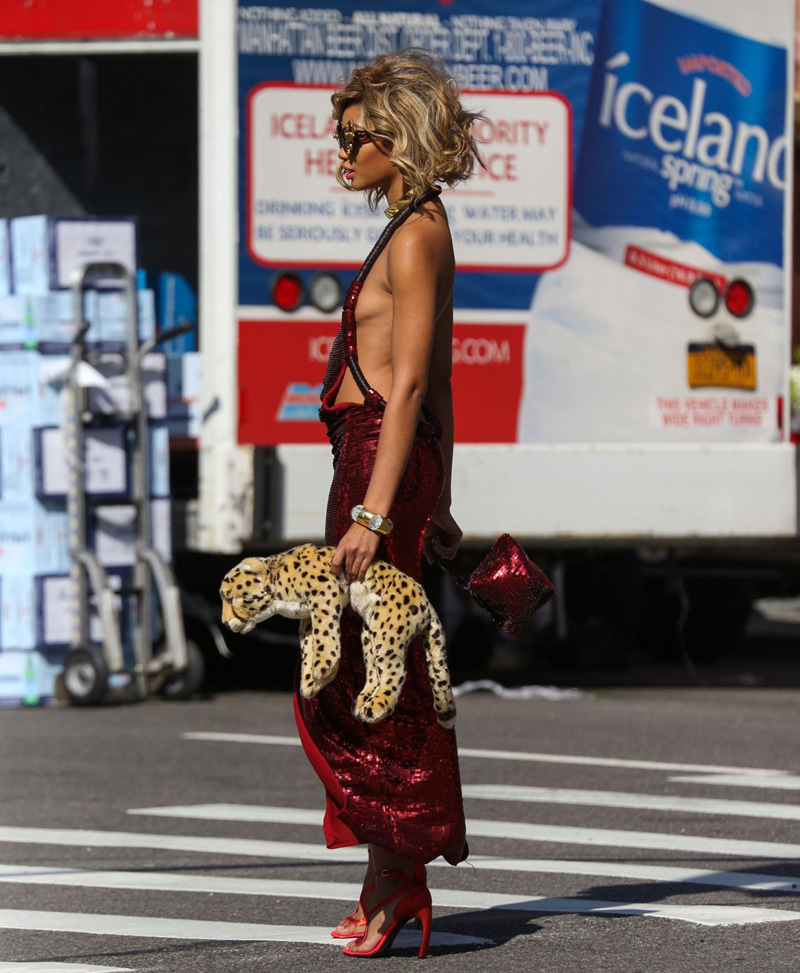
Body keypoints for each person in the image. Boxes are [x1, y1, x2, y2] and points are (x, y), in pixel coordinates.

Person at [293, 49, 484, 959]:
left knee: (359, 671)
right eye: (338, 136)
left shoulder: (416, 234)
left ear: (397, 139)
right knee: (374, 666)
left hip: (377, 456)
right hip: (379, 460)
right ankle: (387, 876)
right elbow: (438, 379)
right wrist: (438, 496)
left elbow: (408, 385)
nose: (340, 151)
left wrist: (377, 513)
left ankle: (398, 872)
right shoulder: (415, 226)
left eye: (354, 137)